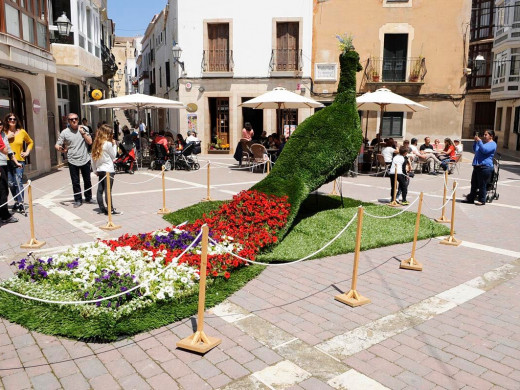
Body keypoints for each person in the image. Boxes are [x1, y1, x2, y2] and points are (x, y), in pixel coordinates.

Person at [55, 113, 95, 208]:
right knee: (75, 181)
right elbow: (57, 145)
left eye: (76, 119)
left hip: (85, 158)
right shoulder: (64, 132)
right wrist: (60, 148)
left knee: (87, 180)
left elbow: (90, 142)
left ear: (78, 119)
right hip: (72, 160)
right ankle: (78, 199)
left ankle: (88, 197)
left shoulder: (85, 128)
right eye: (71, 119)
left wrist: (83, 133)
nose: (74, 121)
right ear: (68, 121)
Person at [4, 113, 33, 213]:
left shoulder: (22, 132)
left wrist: (27, 152)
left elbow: (30, 142)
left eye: (14, 119)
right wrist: (7, 137)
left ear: (17, 121)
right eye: (10, 119)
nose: (12, 121)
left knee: (18, 180)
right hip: (6, 161)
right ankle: (16, 201)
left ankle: (21, 203)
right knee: (11, 183)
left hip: (19, 160)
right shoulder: (3, 132)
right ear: (7, 121)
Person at [91, 124, 122, 215]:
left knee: (100, 190)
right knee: (108, 190)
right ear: (107, 134)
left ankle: (101, 208)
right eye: (111, 133)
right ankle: (110, 209)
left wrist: (94, 170)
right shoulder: (108, 144)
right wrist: (114, 145)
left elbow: (92, 159)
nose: (112, 135)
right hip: (108, 169)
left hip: (100, 169)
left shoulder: (96, 144)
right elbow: (113, 156)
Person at [462, 129, 497, 206]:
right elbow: (476, 150)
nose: (484, 136)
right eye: (484, 134)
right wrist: (476, 142)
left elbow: (485, 150)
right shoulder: (484, 143)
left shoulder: (492, 144)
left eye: (486, 135)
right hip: (477, 166)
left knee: (482, 184)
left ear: (491, 136)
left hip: (485, 167)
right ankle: (471, 198)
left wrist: (480, 142)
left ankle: (482, 200)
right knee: (473, 183)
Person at [0, 119, 20, 223]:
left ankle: (3, 213)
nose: (0, 126)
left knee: (4, 190)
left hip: (3, 164)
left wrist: (16, 162)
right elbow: (4, 149)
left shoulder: (2, 134)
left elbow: (9, 150)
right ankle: (5, 215)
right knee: (3, 190)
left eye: (0, 124)